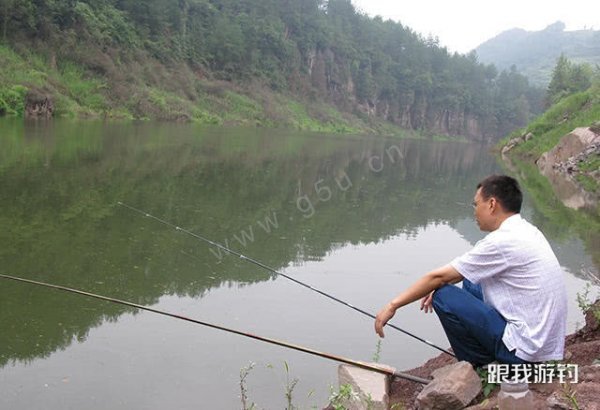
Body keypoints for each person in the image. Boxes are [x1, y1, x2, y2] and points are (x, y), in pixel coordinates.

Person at [374, 175, 567, 367]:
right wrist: (443, 281)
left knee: (443, 296)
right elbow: (456, 274)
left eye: (476, 204)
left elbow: (438, 277)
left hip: (524, 353)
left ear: (491, 204)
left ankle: (482, 364)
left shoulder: (502, 241)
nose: (474, 211)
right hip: (542, 344)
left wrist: (393, 305)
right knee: (469, 280)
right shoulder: (527, 230)